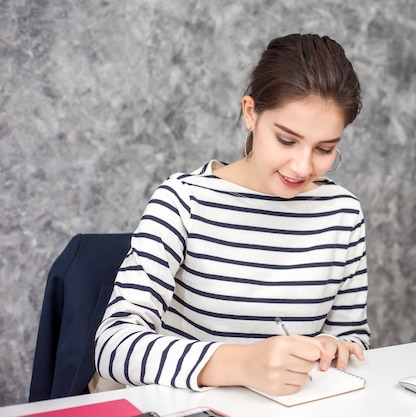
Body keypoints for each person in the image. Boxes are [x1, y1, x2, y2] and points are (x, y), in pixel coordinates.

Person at [94, 33, 370, 396]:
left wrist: (339, 347)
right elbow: (113, 346)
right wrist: (242, 364)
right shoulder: (183, 201)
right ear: (251, 112)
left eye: (324, 148)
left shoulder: (343, 215)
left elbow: (353, 337)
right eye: (286, 140)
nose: (302, 167)